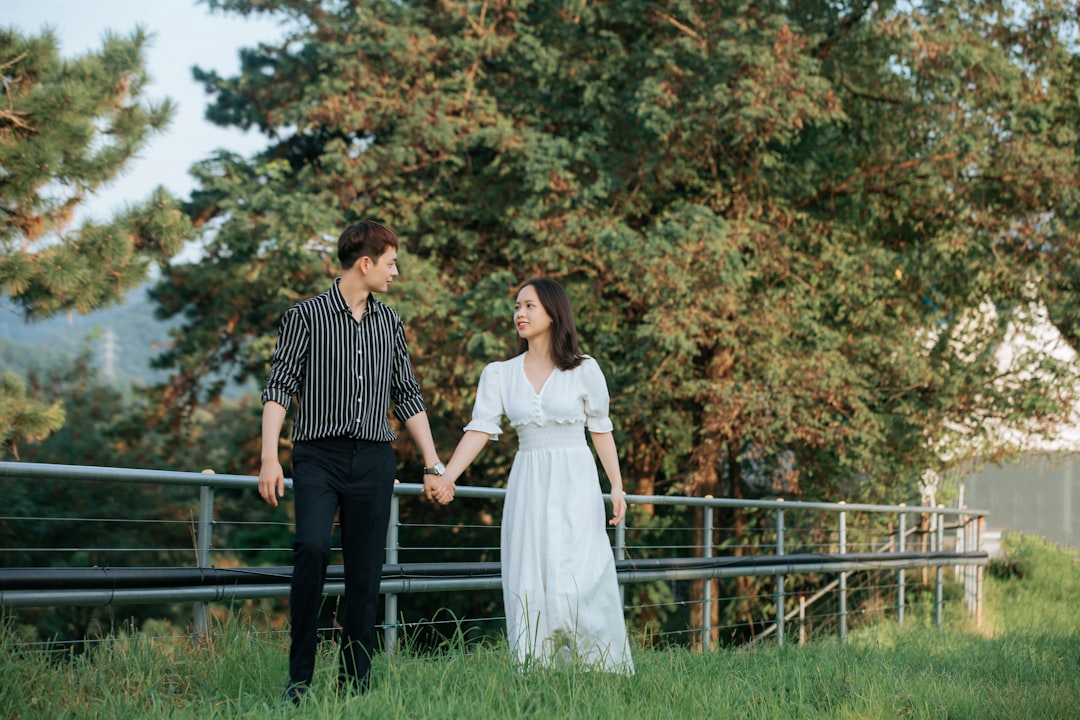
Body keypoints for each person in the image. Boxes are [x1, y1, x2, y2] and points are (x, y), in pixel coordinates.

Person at [257, 220, 447, 703]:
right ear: (366, 263)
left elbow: (406, 395)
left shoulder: (389, 323)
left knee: (365, 573)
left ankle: (355, 687)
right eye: (391, 262)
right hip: (318, 456)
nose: (396, 272)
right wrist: (269, 458)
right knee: (313, 550)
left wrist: (432, 463)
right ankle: (299, 682)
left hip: (373, 460)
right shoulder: (305, 316)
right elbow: (279, 388)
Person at [435, 277, 635, 674]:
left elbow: (601, 429)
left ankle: (601, 669)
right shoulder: (500, 374)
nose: (519, 314)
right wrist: (448, 476)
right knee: (529, 573)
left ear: (553, 313)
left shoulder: (584, 369)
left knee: (582, 574)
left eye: (529, 306)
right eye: (516, 306)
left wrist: (616, 485)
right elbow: (480, 429)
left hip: (575, 480)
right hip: (529, 481)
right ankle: (534, 669)